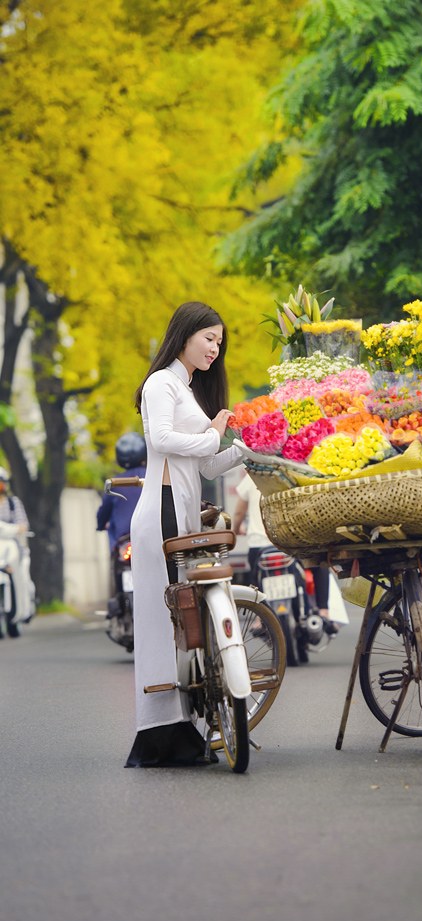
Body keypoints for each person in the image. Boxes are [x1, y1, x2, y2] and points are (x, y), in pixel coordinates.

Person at [125, 301, 243, 768]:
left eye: (219, 341)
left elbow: (206, 462)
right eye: (209, 337)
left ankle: (185, 728)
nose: (216, 348)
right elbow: (161, 440)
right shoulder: (161, 383)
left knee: (181, 620)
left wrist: (247, 448)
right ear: (185, 334)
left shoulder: (188, 389)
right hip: (162, 515)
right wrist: (214, 435)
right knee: (164, 621)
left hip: (184, 513)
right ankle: (161, 738)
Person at [232, 474, 337, 631]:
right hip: (291, 542)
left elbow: (239, 513)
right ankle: (323, 612)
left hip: (259, 545)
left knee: (255, 580)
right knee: (319, 564)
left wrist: (235, 530)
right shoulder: (292, 473)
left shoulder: (252, 476)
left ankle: (259, 618)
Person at [96, 432, 147, 551]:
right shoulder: (156, 476)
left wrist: (101, 525)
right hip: (152, 536)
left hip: (124, 543)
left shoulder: (115, 482)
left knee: (118, 559)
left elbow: (104, 511)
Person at [0, 467, 35, 638]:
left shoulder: (13, 503)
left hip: (13, 548)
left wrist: (15, 529)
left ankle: (22, 609)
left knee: (20, 573)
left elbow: (22, 525)